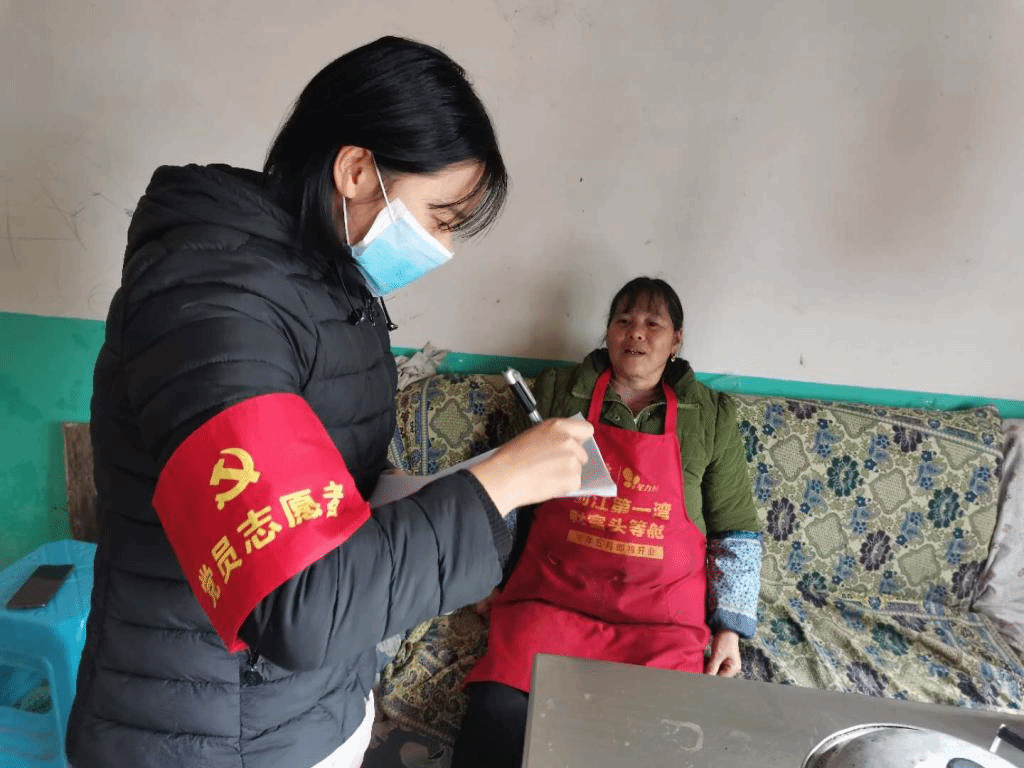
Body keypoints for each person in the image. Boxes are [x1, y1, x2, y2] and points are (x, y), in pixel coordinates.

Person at [65, 36, 594, 768]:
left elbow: (318, 498)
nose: (443, 246)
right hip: (207, 733)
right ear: (356, 171)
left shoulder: (329, 289)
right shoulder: (219, 304)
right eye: (440, 216)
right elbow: (298, 603)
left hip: (303, 711)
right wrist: (496, 483)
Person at [451, 277, 763, 768]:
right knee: (499, 712)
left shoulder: (711, 414)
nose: (635, 332)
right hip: (553, 599)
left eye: (653, 323)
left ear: (676, 340)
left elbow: (735, 530)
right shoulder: (557, 391)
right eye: (623, 320)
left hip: (660, 620)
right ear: (608, 332)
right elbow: (507, 490)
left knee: (659, 740)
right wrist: (486, 573)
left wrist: (730, 630)